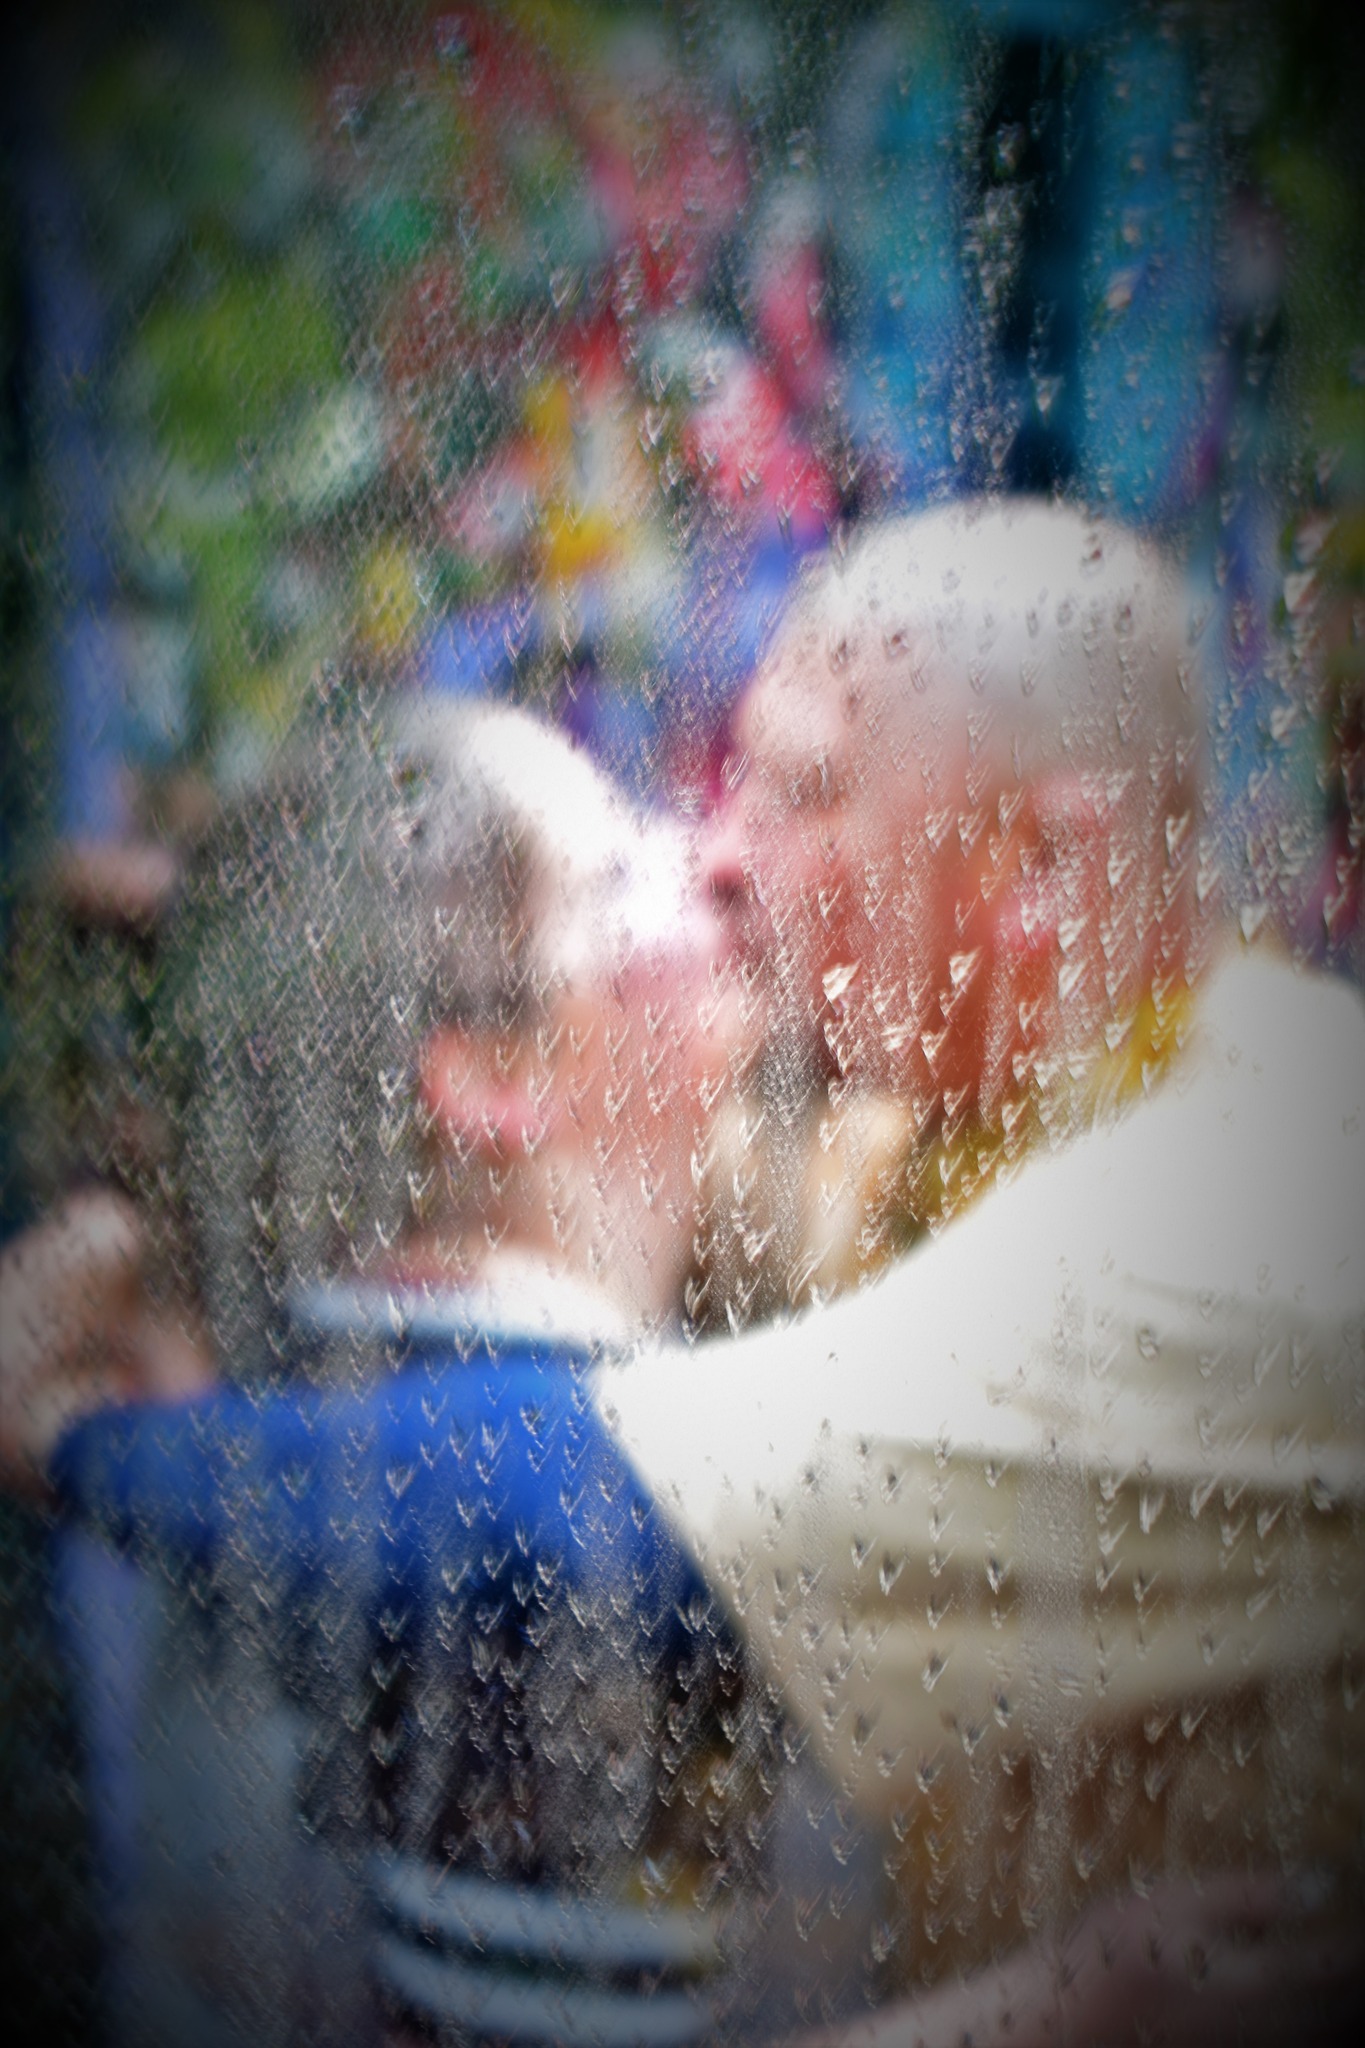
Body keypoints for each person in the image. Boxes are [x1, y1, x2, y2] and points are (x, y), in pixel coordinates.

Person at [7, 502, 1364, 2040]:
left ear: (1043, 861)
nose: (721, 850)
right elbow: (509, 1124)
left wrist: (65, 1438)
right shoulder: (922, 1130)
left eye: (802, 790)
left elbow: (565, 1514)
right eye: (655, 843)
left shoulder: (1262, 1196)